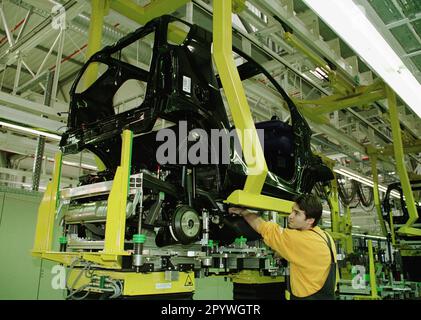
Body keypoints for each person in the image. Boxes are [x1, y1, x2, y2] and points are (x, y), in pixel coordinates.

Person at [229, 194, 338, 300]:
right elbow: (307, 257)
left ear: (310, 220)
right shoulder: (325, 236)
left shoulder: (297, 239)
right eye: (292, 211)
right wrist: (283, 252)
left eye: (297, 213)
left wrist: (244, 212)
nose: (290, 216)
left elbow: (263, 228)